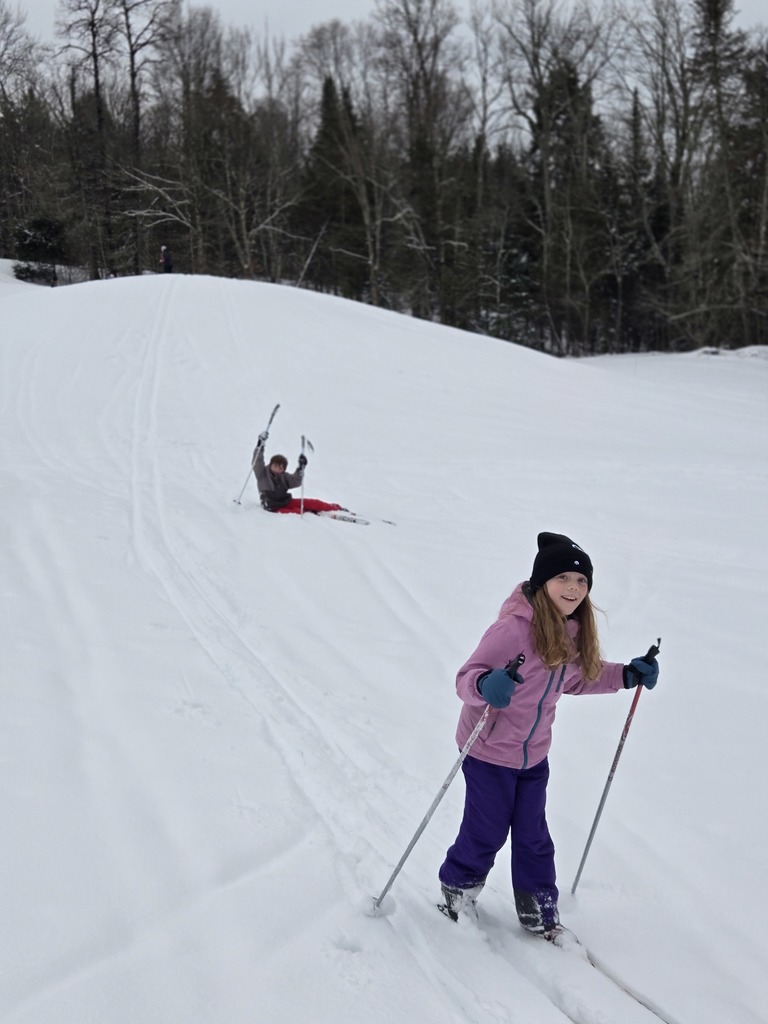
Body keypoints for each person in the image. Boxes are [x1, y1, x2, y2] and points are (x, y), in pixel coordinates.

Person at [438, 532, 660, 940]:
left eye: (581, 582)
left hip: (533, 755)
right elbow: (464, 679)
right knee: (486, 829)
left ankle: (538, 907)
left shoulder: (572, 630)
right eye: (563, 579)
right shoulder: (511, 630)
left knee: (534, 834)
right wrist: (487, 684)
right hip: (487, 750)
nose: (574, 589)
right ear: (543, 583)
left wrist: (626, 675)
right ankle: (458, 888)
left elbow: (577, 678)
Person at [252, 433, 347, 515]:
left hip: (285, 502)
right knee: (296, 512)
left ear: (284, 469)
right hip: (272, 508)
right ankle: (311, 513)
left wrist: (301, 468)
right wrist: (260, 445)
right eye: (275, 466)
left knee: (313, 502)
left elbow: (296, 481)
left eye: (281, 468)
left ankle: (336, 508)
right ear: (271, 464)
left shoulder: (284, 477)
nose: (277, 469)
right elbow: (257, 461)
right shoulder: (262, 474)